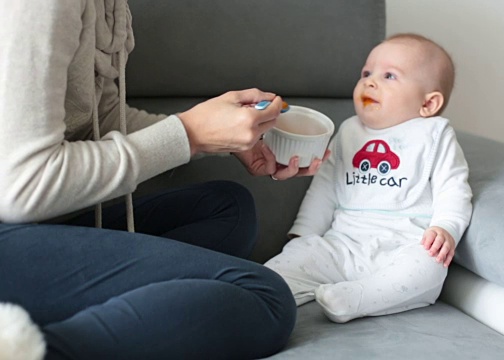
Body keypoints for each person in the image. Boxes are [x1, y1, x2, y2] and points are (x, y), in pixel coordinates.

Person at [0, 1, 328, 359]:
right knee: (265, 298)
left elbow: (103, 116)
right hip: (14, 225)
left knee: (229, 209)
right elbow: (22, 188)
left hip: (34, 231)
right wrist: (190, 134)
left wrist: (222, 139)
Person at [264, 33, 473, 323]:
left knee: (429, 267)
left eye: (389, 75)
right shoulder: (349, 130)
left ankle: (355, 298)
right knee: (299, 255)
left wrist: (446, 227)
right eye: (366, 73)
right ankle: (264, 290)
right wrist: (306, 230)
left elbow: (454, 187)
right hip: (341, 243)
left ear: (428, 104)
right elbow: (326, 185)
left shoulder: (434, 135)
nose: (370, 81)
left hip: (403, 245)